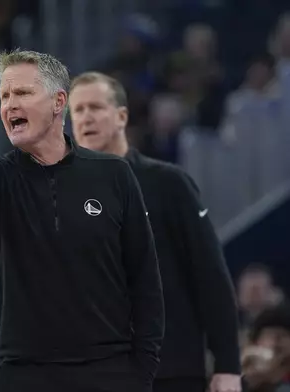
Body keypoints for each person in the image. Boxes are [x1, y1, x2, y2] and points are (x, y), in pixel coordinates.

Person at [0, 49, 164, 392]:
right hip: (26, 374)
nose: (10, 104)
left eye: (22, 93)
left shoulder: (113, 174)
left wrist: (142, 370)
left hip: (109, 371)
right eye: (4, 96)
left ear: (58, 102)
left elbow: (144, 278)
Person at [68, 71, 241, 392]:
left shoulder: (168, 184)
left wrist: (228, 365)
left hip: (170, 371)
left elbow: (211, 277)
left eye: (95, 107)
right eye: (77, 110)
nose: (86, 118)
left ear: (121, 116)